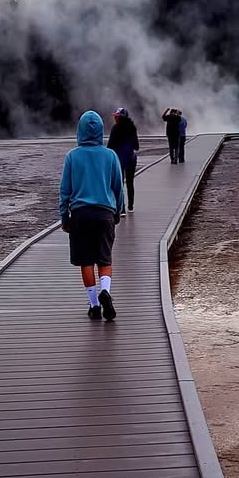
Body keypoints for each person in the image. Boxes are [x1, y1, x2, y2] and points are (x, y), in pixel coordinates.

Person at [60, 110, 125, 322]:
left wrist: (64, 217)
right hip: (105, 213)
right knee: (104, 258)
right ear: (100, 131)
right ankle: (105, 291)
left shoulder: (72, 156)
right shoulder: (110, 156)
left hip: (80, 215)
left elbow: (65, 191)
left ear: (79, 130)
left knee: (86, 261)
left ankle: (94, 305)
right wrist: (117, 212)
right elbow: (118, 187)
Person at [107, 108, 139, 212]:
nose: (114, 118)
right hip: (131, 158)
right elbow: (136, 146)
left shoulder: (115, 128)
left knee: (119, 183)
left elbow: (110, 145)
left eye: (116, 117)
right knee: (130, 182)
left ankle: (122, 208)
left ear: (120, 118)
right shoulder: (132, 128)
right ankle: (131, 206)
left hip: (119, 158)